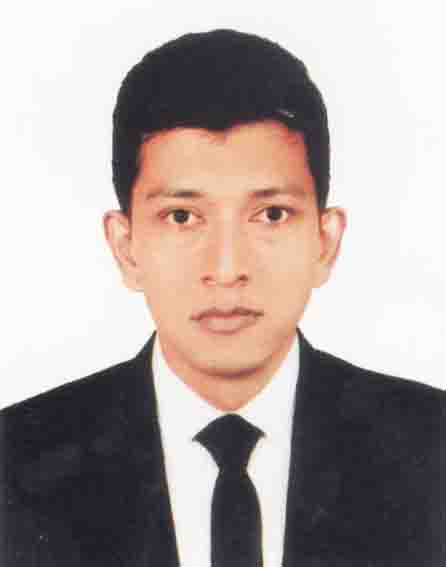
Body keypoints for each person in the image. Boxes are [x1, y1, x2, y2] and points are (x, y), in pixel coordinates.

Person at [1, 29, 445, 567]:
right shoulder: (13, 463)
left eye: (271, 214)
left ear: (326, 241)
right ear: (126, 247)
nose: (228, 269)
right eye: (182, 217)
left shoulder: (432, 451)